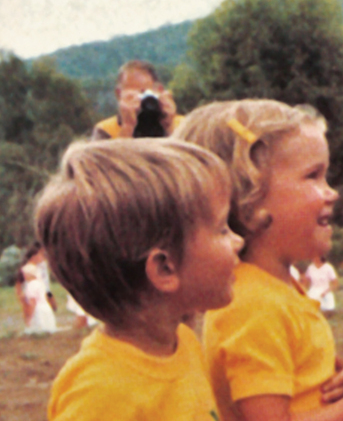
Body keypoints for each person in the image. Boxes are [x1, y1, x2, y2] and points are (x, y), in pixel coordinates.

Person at [174, 100, 343, 421]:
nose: (332, 193)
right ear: (249, 196)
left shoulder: (275, 291)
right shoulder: (253, 304)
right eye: (313, 176)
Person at [35, 139, 243, 420]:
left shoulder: (183, 344)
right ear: (164, 270)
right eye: (221, 230)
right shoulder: (100, 395)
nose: (238, 241)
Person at [91, 60, 183, 140]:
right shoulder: (105, 130)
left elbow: (187, 158)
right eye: (132, 96)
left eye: (144, 94)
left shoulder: (183, 125)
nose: (140, 102)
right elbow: (106, 160)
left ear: (159, 91)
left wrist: (170, 127)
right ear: (119, 94)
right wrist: (127, 127)